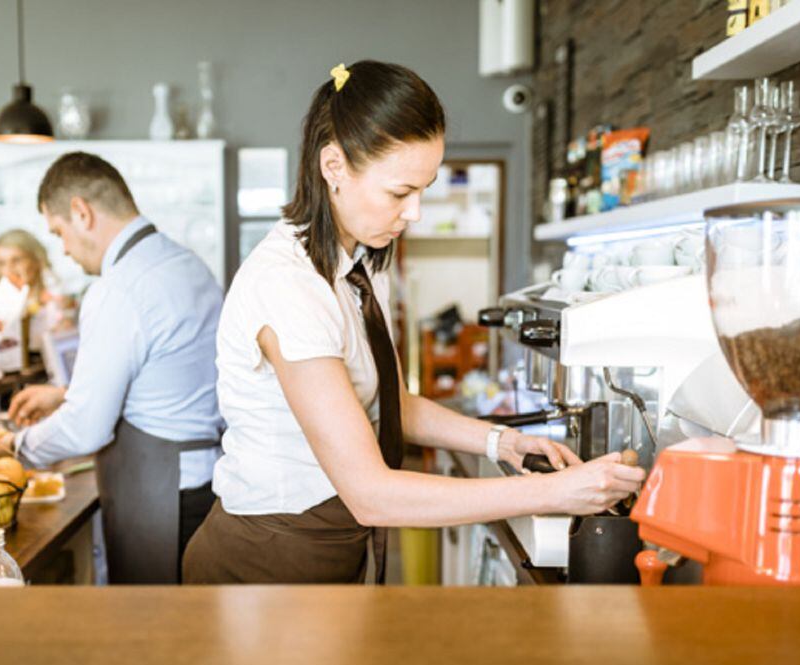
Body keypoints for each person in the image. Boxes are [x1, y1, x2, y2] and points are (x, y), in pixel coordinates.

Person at [183, 61, 646, 585]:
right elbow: (371, 493)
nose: (416, 212)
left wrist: (502, 442)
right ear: (333, 166)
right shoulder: (288, 286)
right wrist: (556, 491)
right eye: (401, 193)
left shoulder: (358, 264)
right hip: (268, 556)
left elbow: (390, 403)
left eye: (424, 189)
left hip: (334, 543)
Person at [0, 152, 225, 584]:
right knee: (192, 635)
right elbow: (168, 375)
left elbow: (86, 429)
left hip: (160, 498)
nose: (62, 248)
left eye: (59, 232)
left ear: (81, 213)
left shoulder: (117, 289)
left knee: (149, 637)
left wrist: (12, 450)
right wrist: (64, 394)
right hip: (206, 486)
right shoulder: (187, 264)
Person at [0, 228, 71, 350]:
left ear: (36, 260)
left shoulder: (57, 300)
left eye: (16, 260)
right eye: (2, 263)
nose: (9, 269)